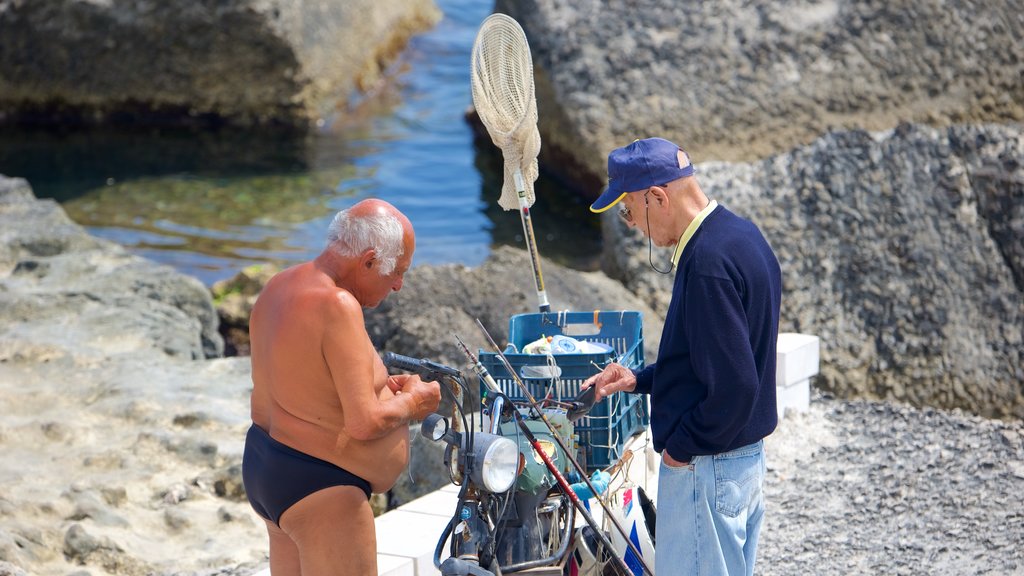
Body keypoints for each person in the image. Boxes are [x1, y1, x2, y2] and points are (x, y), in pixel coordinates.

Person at [583, 137, 781, 576]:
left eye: (628, 210)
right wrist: (641, 378)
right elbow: (718, 359)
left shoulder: (706, 262)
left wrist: (681, 450)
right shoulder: (741, 236)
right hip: (742, 460)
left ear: (657, 197)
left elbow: (735, 385)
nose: (631, 224)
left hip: (707, 466)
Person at [242, 198, 442, 576]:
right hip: (321, 487)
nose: (398, 285)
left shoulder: (279, 285)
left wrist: (381, 386)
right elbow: (363, 423)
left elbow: (305, 379)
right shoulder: (337, 304)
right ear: (367, 260)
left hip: (266, 466)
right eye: (397, 272)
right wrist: (415, 402)